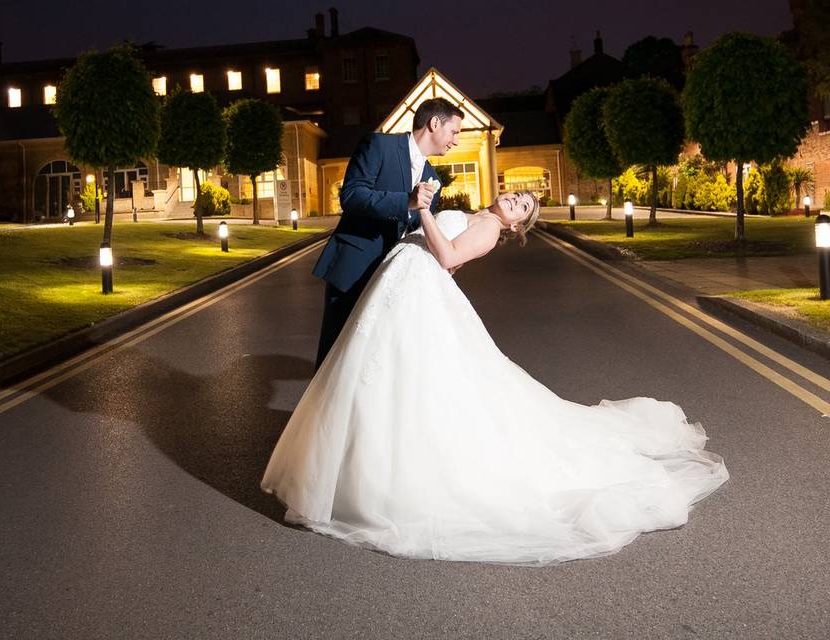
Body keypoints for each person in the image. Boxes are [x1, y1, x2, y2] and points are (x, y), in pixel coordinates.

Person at [261, 192, 729, 565]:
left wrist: (423, 210)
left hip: (414, 289)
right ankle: (355, 460)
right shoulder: (478, 215)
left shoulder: (487, 229)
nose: (516, 201)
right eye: (518, 195)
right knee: (384, 379)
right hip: (407, 295)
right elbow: (449, 263)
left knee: (402, 381)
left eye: (523, 207)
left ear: (516, 225)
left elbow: (446, 257)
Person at [311, 98, 464, 370]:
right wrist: (406, 200)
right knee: (335, 354)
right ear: (434, 123)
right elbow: (352, 195)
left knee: (372, 359)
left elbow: (419, 230)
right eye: (454, 132)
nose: (456, 141)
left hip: (393, 277)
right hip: (354, 267)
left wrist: (444, 256)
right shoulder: (379, 145)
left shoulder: (433, 178)